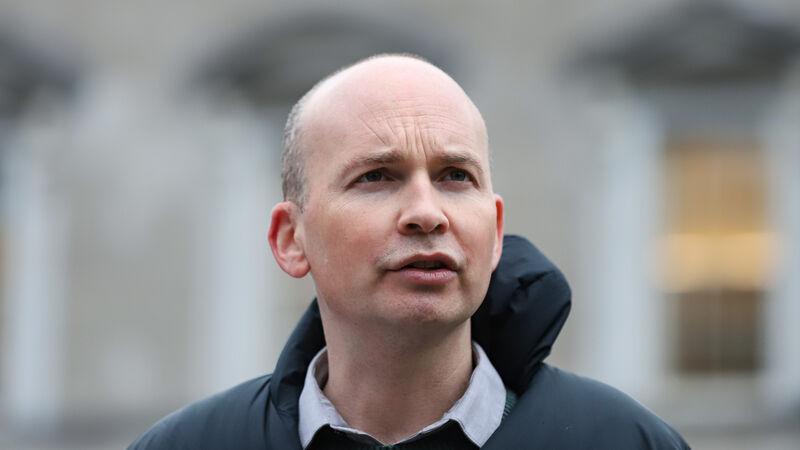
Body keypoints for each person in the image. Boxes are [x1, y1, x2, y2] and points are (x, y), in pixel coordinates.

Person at [130, 54, 689, 449]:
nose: (427, 212)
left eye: (455, 176)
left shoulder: (625, 441)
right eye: (376, 176)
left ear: (496, 232)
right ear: (290, 239)